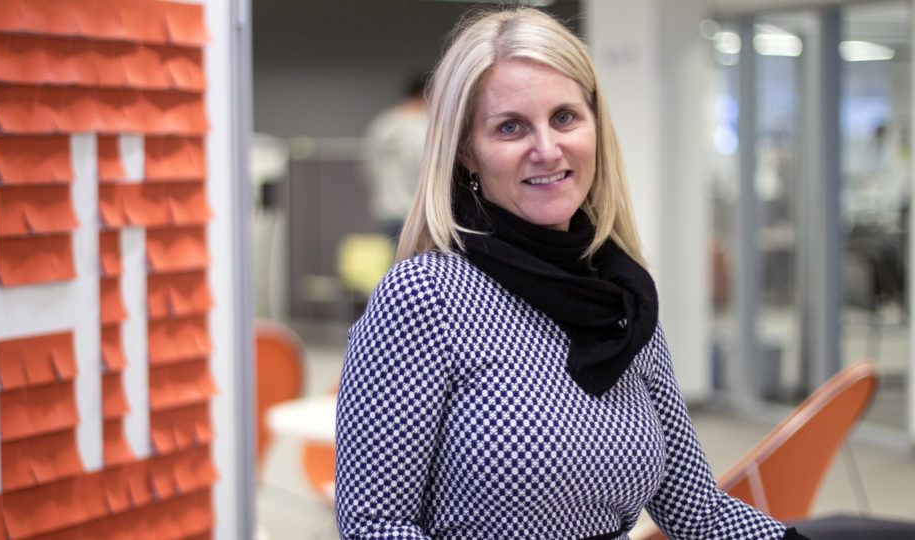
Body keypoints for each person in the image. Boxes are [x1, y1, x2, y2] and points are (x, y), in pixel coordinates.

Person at [334, 7, 809, 540]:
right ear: (466, 151)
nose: (546, 149)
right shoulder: (427, 297)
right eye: (510, 127)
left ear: (595, 127)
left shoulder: (622, 298)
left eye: (564, 118)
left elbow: (699, 512)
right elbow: (375, 525)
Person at [361, 73, 429, 241]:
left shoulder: (382, 124)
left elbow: (368, 169)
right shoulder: (422, 127)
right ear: (426, 95)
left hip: (386, 211)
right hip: (416, 212)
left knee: (397, 256)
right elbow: (424, 171)